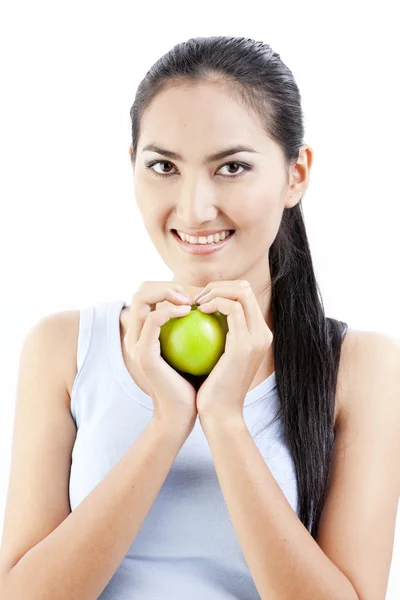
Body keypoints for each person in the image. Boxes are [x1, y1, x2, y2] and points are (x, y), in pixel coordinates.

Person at [1, 35, 399, 600]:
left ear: (295, 174)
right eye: (163, 165)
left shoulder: (362, 365)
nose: (194, 208)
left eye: (232, 167)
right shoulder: (64, 347)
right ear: (132, 167)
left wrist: (224, 418)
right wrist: (166, 424)